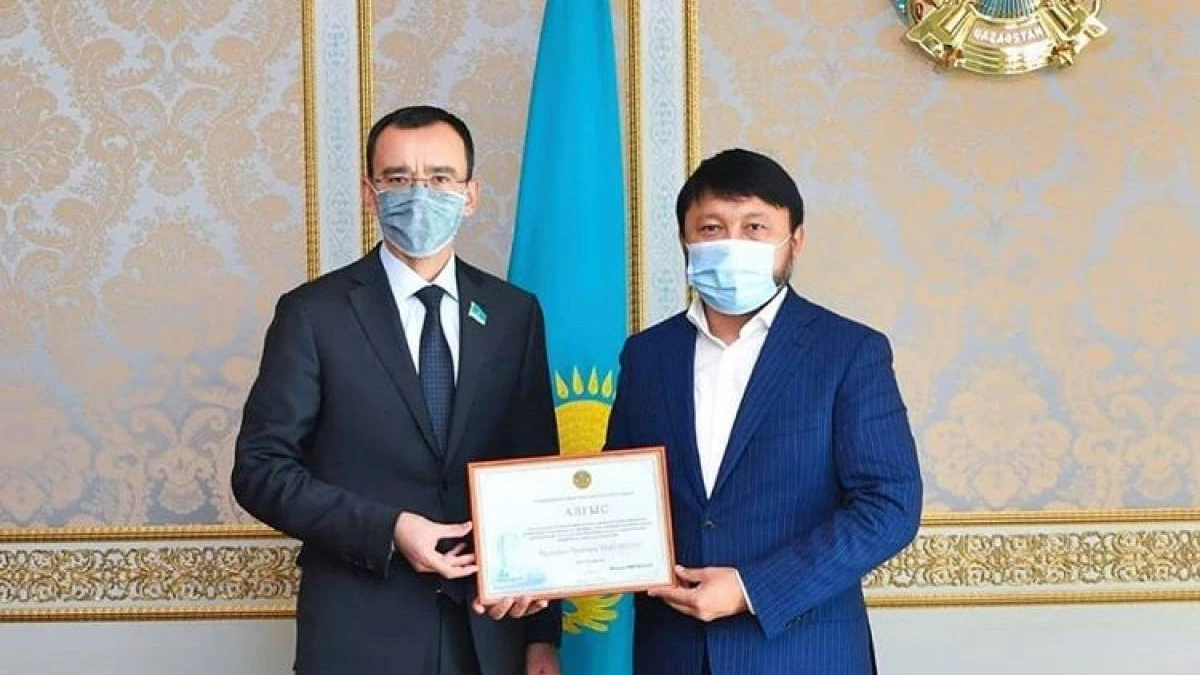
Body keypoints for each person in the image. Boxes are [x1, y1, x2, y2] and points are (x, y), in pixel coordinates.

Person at [232, 105, 561, 675]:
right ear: (370, 193)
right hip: (361, 631)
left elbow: (535, 469)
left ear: (470, 195)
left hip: (490, 633)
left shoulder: (514, 314)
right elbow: (260, 470)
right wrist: (389, 529)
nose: (420, 194)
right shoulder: (312, 314)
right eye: (398, 179)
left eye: (439, 178)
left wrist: (542, 638)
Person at [605, 149, 923, 674]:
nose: (732, 243)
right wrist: (535, 573)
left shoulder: (847, 351)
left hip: (803, 653)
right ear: (685, 240)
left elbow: (889, 506)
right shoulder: (647, 355)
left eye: (755, 227)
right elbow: (620, 494)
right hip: (673, 652)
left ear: (794, 241)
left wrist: (752, 589)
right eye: (712, 228)